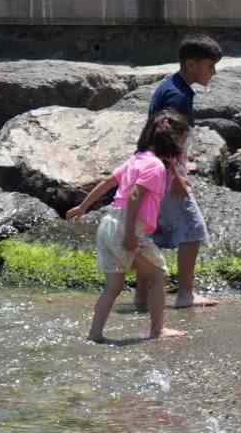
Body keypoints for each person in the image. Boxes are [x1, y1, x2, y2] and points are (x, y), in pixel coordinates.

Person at [65, 111, 190, 343]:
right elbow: (135, 196)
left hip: (108, 223)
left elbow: (108, 183)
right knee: (157, 274)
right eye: (183, 141)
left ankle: (94, 334)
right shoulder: (155, 166)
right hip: (128, 225)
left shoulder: (137, 159)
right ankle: (157, 329)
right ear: (172, 141)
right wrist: (130, 233)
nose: (184, 147)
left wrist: (83, 207)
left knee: (113, 285)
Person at [141, 34, 223, 307]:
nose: (213, 72)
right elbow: (164, 138)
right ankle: (185, 295)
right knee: (193, 231)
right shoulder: (178, 96)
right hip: (165, 173)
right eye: (209, 66)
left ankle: (142, 296)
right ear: (191, 64)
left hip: (152, 169)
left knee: (153, 233)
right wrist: (177, 176)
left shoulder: (171, 86)